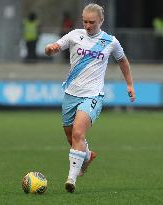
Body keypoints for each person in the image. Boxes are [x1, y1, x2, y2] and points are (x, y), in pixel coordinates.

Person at [45, 3, 136, 193]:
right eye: (85, 21)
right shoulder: (74, 35)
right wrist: (51, 48)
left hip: (93, 95)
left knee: (79, 133)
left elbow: (123, 61)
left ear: (101, 21)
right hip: (71, 93)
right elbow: (56, 46)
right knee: (71, 137)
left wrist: (129, 84)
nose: (87, 25)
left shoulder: (110, 41)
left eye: (92, 22)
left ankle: (71, 179)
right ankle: (87, 156)